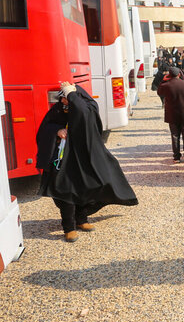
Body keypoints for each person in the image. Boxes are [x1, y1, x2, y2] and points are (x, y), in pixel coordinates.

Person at [36, 82, 138, 242]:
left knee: (89, 187)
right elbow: (44, 128)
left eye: (65, 98)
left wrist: (71, 94)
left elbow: (83, 112)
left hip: (85, 158)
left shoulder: (87, 108)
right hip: (64, 161)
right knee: (67, 192)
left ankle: (81, 219)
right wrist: (57, 130)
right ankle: (69, 228)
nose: (62, 101)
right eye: (62, 98)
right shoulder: (58, 110)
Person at [157, 67, 184, 163]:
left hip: (172, 115)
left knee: (175, 136)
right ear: (179, 74)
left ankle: (176, 157)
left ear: (169, 75)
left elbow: (159, 91)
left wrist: (164, 80)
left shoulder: (166, 85)